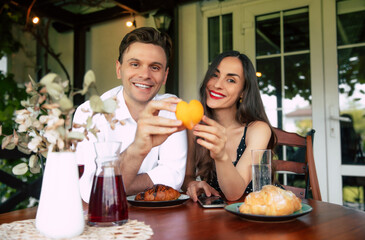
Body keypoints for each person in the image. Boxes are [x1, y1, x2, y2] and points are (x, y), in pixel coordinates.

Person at [73, 27, 187, 202]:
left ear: (165, 76)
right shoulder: (89, 114)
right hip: (105, 219)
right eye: (135, 64)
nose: (144, 75)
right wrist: (137, 149)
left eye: (155, 67)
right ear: (119, 69)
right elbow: (92, 192)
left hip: (158, 218)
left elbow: (173, 179)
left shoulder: (172, 108)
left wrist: (121, 182)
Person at [183, 51, 276, 201]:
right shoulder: (196, 127)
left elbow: (233, 194)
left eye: (231, 80)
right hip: (219, 216)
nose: (217, 85)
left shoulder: (257, 130)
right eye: (215, 75)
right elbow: (187, 176)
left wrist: (221, 155)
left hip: (260, 212)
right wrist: (193, 184)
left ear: (243, 92)